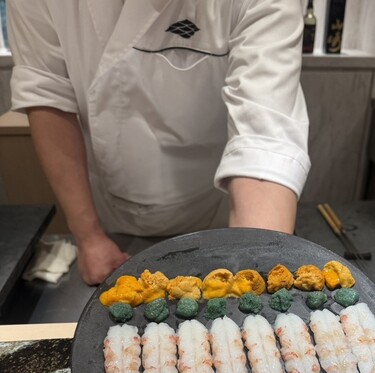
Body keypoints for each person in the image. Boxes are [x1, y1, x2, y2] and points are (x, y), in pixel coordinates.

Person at [7, 0, 311, 284]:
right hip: (109, 215)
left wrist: (253, 275)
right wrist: (88, 236)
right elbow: (47, 92)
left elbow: (265, 138)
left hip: (217, 212)